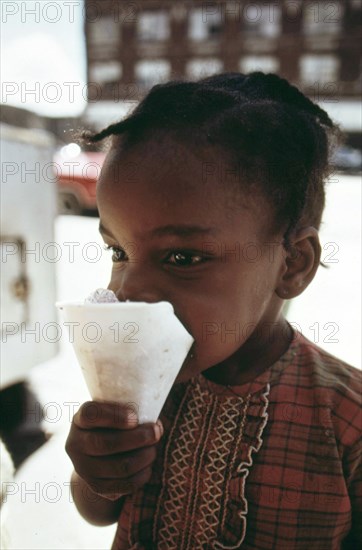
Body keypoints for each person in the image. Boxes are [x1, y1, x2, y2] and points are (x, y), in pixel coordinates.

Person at [65, 72, 361, 549]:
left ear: (293, 264)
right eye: (118, 252)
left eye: (182, 258)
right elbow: (100, 511)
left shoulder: (347, 419)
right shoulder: (139, 391)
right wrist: (97, 471)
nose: (129, 291)